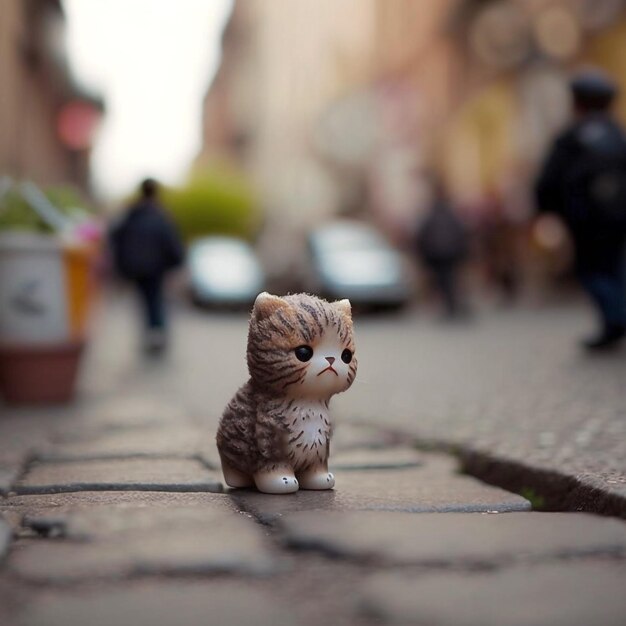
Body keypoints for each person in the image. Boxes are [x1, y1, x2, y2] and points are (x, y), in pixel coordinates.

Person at [535, 69, 626, 350]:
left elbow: (548, 180)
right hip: (619, 218)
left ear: (577, 103)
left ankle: (616, 317)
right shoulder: (618, 136)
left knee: (591, 271)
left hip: (585, 220)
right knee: (616, 268)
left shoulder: (570, 138)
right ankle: (613, 322)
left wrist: (547, 211)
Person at [109, 178, 184, 353]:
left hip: (135, 267)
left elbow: (115, 236)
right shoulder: (160, 215)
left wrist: (122, 264)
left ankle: (150, 333)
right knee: (156, 300)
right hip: (156, 268)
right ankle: (156, 334)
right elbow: (171, 241)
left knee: (144, 301)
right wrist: (175, 262)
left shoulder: (131, 214)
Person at [415, 183, 470, 319]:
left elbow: (423, 234)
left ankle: (451, 306)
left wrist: (425, 254)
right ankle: (453, 305)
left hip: (438, 254)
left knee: (444, 281)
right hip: (450, 252)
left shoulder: (431, 214)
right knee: (451, 279)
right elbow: (460, 232)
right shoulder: (451, 214)